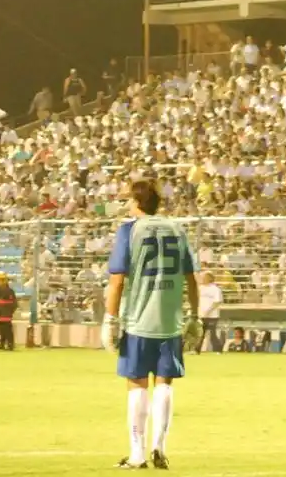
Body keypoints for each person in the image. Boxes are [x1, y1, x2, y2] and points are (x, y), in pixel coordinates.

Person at [103, 180, 200, 471]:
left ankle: (137, 453)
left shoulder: (129, 230)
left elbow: (117, 279)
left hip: (138, 319)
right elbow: (191, 277)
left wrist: (110, 318)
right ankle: (160, 447)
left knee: (136, 384)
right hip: (170, 320)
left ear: (135, 203)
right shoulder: (177, 228)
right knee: (164, 383)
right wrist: (195, 315)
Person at [195, 272, 223, 354]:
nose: (203, 278)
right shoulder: (201, 288)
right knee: (201, 333)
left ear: (210, 278)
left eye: (204, 277)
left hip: (213, 316)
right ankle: (197, 350)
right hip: (202, 315)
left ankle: (218, 350)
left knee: (212, 333)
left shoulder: (215, 289)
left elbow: (217, 302)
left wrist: (208, 311)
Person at [0, 273, 16, 351]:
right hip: (0, 313)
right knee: (1, 330)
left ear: (3, 281)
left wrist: (10, 312)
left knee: (8, 330)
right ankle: (2, 343)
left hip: (6, 313)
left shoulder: (9, 291)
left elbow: (14, 304)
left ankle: (10, 344)